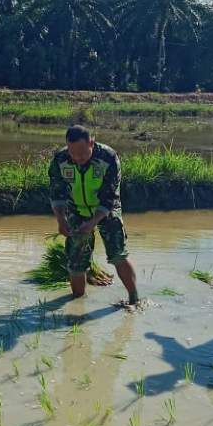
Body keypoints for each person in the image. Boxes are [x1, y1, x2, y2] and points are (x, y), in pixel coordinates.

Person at [48, 125, 139, 305]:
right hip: (76, 210)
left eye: (82, 153)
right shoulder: (60, 159)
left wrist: (93, 222)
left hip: (106, 210)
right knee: (76, 263)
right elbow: (57, 194)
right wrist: (61, 220)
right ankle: (77, 305)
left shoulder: (108, 157)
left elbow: (109, 197)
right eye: (73, 154)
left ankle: (134, 300)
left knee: (118, 255)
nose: (77, 158)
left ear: (92, 142)